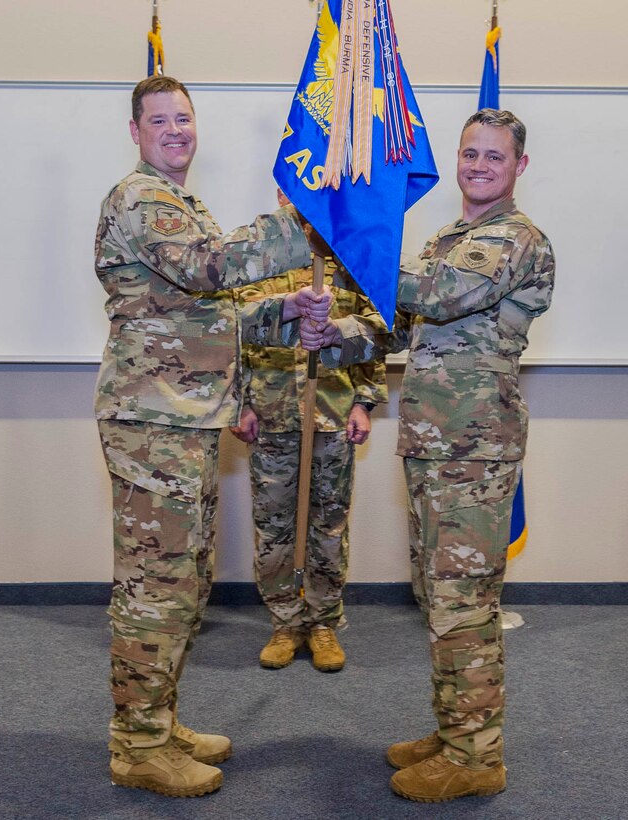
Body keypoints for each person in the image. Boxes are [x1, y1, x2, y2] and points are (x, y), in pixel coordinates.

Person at [302, 109, 555, 802]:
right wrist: (332, 334)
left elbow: (441, 295)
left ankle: (476, 756)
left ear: (518, 167)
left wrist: (356, 235)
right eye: (469, 153)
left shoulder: (514, 239)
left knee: (464, 602)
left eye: (493, 157)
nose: (477, 166)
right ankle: (455, 730)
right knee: (438, 596)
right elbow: (399, 329)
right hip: (433, 447)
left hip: (473, 452)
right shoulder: (450, 235)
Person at [94, 75, 331, 798]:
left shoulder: (183, 204)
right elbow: (211, 269)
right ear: (135, 131)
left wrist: (284, 309)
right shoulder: (141, 200)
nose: (175, 130)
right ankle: (137, 746)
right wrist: (303, 216)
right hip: (152, 424)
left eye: (184, 118)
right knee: (154, 588)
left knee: (184, 583)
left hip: (183, 420)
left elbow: (204, 313)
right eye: (159, 120)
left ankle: (159, 724)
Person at [230, 190, 388, 672]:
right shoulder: (257, 251)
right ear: (280, 188)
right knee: (274, 523)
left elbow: (373, 331)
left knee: (328, 524)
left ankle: (322, 622)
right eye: (293, 186)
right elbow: (231, 331)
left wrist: (363, 403)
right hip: (273, 411)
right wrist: (242, 402)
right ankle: (284, 622)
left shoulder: (347, 248)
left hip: (333, 410)